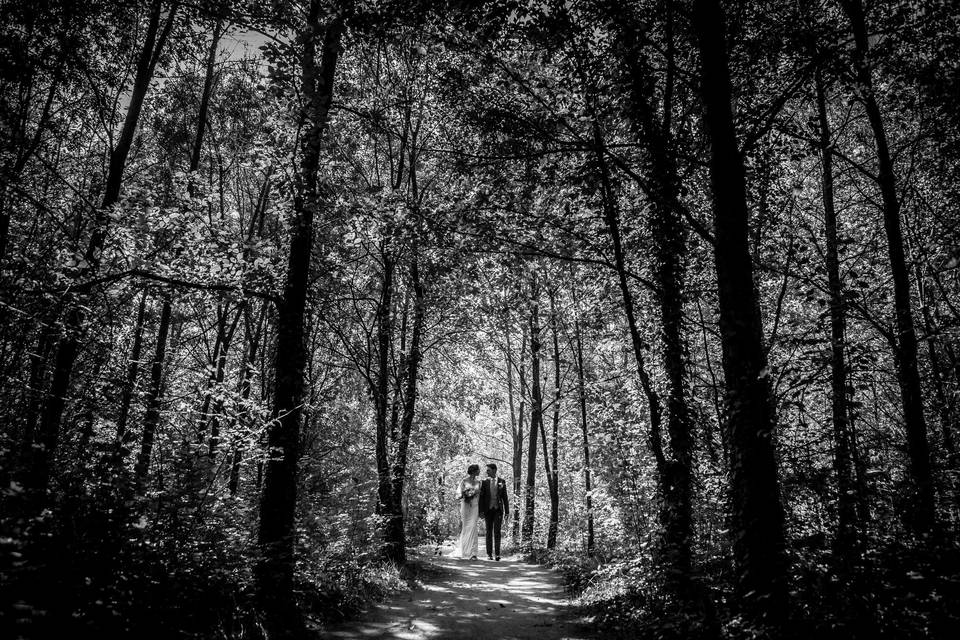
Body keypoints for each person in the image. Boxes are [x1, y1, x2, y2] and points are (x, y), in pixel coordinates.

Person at [478, 463, 509, 560]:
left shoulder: (502, 481)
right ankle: (489, 554)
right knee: (488, 532)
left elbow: (505, 497)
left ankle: (498, 554)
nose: (486, 472)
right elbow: (481, 498)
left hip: (498, 510)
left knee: (497, 532)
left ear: (494, 470)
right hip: (488, 510)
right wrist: (481, 511)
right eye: (487, 470)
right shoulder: (484, 482)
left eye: (488, 470)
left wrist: (507, 512)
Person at [453, 464, 481, 559]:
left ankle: (473, 553)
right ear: (473, 471)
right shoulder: (464, 481)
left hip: (475, 506)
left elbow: (480, 497)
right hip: (465, 506)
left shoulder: (479, 482)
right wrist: (465, 494)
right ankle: (465, 552)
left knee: (473, 527)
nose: (479, 471)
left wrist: (481, 510)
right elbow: (458, 495)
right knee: (466, 527)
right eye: (478, 470)